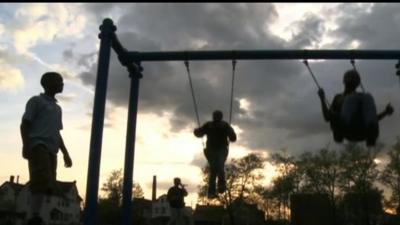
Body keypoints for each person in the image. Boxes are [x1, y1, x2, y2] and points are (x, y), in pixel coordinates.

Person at [20, 72, 73, 225]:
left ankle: (35, 215)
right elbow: (25, 124)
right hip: (37, 144)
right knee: (43, 179)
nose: (63, 84)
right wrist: (26, 145)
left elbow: (57, 132)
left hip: (52, 149)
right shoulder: (36, 101)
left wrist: (66, 153)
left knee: (44, 185)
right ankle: (34, 215)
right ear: (49, 83)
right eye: (60, 81)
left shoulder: (57, 108)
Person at [318, 69, 394, 146]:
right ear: (357, 84)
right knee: (365, 98)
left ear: (344, 82)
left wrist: (322, 99)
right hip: (359, 132)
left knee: (356, 101)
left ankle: (341, 134)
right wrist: (385, 112)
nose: (351, 85)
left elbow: (327, 117)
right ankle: (370, 138)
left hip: (351, 131)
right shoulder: (362, 98)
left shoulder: (340, 98)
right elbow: (372, 119)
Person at [194, 110, 237, 198]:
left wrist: (197, 131)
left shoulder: (216, 125)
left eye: (217, 116)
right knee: (216, 167)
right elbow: (233, 138)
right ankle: (217, 188)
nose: (216, 117)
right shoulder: (216, 125)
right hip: (213, 150)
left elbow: (233, 137)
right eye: (215, 115)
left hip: (218, 150)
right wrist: (197, 131)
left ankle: (214, 190)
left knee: (216, 167)